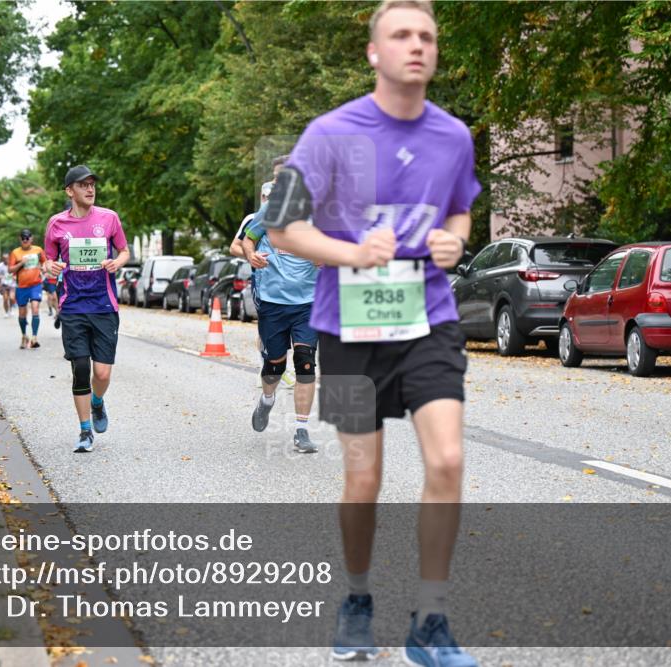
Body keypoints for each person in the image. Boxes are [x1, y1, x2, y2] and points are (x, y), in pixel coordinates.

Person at [262, 2, 481, 664]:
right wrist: (354, 253)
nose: (416, 46)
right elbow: (281, 228)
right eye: (401, 35)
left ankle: (430, 621)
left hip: (430, 321)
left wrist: (452, 243)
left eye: (427, 36)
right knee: (364, 476)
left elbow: (461, 212)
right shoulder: (330, 134)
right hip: (347, 330)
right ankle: (356, 598)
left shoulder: (454, 136)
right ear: (374, 52)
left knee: (446, 459)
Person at [43, 165, 130, 453]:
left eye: (92, 184)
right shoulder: (56, 224)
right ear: (70, 191)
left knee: (102, 374)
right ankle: (84, 431)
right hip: (73, 305)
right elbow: (48, 260)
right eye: (83, 185)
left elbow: (124, 250)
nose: (90, 189)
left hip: (104, 305)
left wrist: (118, 262)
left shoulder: (109, 218)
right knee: (81, 368)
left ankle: (97, 402)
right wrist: (50, 266)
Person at [242, 158, 319, 453]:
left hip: (307, 303)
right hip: (274, 302)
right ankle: (267, 399)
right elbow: (249, 240)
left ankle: (301, 430)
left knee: (306, 363)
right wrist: (252, 256)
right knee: (274, 365)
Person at [9, 228, 47, 349]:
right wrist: (21, 263)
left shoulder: (38, 250)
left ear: (31, 238)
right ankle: (24, 335)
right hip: (22, 287)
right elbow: (10, 270)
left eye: (27, 238)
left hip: (35, 285)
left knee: (35, 308)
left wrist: (44, 269)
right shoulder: (15, 252)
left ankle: (34, 337)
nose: (25, 240)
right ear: (20, 239)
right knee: (22, 313)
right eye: (23, 238)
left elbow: (45, 262)